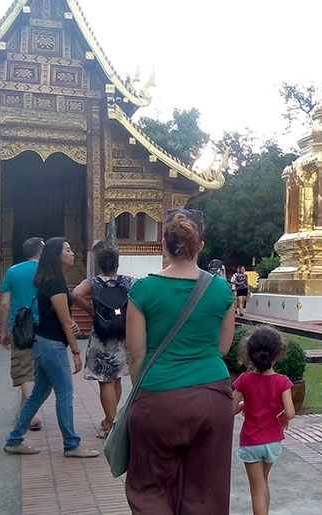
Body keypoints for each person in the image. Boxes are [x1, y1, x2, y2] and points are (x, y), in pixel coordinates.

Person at [125, 208, 236, 514]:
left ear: (164, 244)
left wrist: (147, 395)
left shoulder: (143, 289)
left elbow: (136, 355)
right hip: (212, 397)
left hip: (157, 397)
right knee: (206, 493)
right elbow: (223, 348)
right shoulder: (220, 288)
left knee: (150, 491)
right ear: (200, 245)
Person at [4, 237, 99, 458]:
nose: (72, 252)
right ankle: (71, 444)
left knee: (37, 395)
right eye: (67, 250)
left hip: (44, 341)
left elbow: (62, 319)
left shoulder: (52, 280)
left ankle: (14, 439)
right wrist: (76, 352)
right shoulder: (54, 282)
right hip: (51, 344)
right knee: (65, 393)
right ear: (57, 255)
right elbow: (65, 321)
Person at [232, 326, 296, 515]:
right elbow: (290, 412)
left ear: (249, 354)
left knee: (257, 490)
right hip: (272, 442)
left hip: (251, 441)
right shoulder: (283, 381)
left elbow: (230, 409)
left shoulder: (244, 380)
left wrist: (242, 406)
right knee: (263, 483)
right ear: (277, 353)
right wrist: (282, 415)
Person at [72, 243, 133, 439]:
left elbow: (75, 295)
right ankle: (111, 419)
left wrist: (91, 310)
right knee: (115, 377)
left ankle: (110, 424)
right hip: (122, 336)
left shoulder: (93, 283)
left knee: (105, 380)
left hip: (102, 337)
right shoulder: (128, 281)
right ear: (117, 263)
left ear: (99, 264)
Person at [0, 237, 45, 432]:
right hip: (42, 327)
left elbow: (4, 304)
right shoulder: (47, 271)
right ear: (40, 252)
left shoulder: (13, 271)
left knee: (23, 369)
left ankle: (31, 414)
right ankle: (25, 411)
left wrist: (3, 331)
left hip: (19, 326)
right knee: (33, 371)